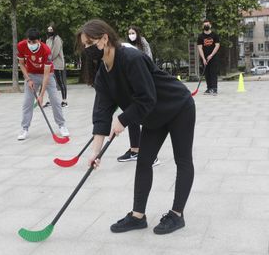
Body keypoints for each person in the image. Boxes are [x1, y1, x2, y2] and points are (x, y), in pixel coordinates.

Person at [78, 19, 195, 235]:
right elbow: (101, 114)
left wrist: (123, 120)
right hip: (153, 117)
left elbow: (146, 98)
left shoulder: (131, 58)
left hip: (178, 106)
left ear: (105, 38)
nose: (87, 49)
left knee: (183, 160)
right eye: (84, 45)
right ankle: (138, 217)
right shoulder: (103, 74)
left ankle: (177, 215)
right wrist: (95, 153)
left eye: (90, 43)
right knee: (143, 162)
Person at [16, 28, 70, 140]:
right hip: (31, 75)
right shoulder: (21, 46)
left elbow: (46, 75)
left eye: (34, 42)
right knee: (27, 102)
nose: (31, 44)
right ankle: (24, 128)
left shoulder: (46, 50)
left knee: (55, 100)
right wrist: (28, 79)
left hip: (47, 75)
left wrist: (41, 95)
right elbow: (21, 64)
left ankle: (62, 125)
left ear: (39, 40)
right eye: (29, 41)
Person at [118, 26, 159, 166]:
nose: (131, 35)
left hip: (144, 83)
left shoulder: (143, 43)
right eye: (129, 33)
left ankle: (151, 154)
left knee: (147, 117)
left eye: (133, 32)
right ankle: (135, 150)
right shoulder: (125, 46)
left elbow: (148, 60)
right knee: (132, 116)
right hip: (130, 86)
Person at [45, 25, 68, 107]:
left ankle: (64, 101)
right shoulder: (48, 40)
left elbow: (55, 51)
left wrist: (49, 58)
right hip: (49, 64)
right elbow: (46, 50)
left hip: (57, 64)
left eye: (51, 30)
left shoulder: (57, 39)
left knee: (60, 82)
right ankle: (51, 100)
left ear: (54, 30)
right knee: (50, 83)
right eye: (48, 30)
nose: (49, 31)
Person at [197, 19, 220, 96]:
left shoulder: (215, 35)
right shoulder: (200, 36)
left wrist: (211, 55)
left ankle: (214, 89)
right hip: (204, 58)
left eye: (207, 24)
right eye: (205, 25)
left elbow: (217, 46)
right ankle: (209, 88)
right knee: (207, 73)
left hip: (213, 57)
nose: (206, 26)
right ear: (202, 26)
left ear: (210, 25)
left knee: (213, 72)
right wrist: (203, 59)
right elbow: (200, 48)